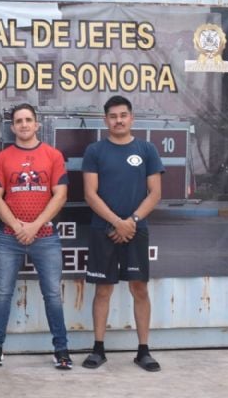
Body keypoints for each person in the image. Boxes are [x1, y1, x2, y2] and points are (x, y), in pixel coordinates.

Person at [0, 103, 73, 369]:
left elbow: (61, 195)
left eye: (28, 120)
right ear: (12, 127)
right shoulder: (2, 158)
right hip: (9, 237)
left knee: (52, 295)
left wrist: (35, 226)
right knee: (2, 293)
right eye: (18, 121)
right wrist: (17, 226)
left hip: (45, 235)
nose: (23, 124)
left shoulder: (53, 155)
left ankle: (62, 350)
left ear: (36, 125)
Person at [81, 95, 164, 372]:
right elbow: (90, 195)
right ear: (106, 120)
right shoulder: (95, 151)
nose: (118, 120)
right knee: (103, 289)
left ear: (132, 118)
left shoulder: (147, 149)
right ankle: (98, 349)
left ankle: (143, 351)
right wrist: (117, 222)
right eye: (113, 116)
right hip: (102, 229)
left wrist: (132, 221)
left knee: (139, 288)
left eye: (123, 115)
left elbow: (155, 193)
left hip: (136, 230)